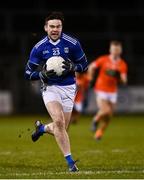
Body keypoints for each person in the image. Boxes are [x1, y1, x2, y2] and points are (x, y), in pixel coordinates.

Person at [24, 11, 88, 172]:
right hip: (50, 87)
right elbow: (27, 73)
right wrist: (41, 74)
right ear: (45, 28)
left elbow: (84, 65)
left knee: (62, 129)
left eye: (58, 26)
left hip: (68, 87)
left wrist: (74, 67)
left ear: (62, 27)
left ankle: (42, 129)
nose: (55, 29)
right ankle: (71, 163)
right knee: (59, 122)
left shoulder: (72, 43)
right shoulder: (39, 48)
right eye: (51, 26)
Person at [88, 41, 128, 140]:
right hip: (101, 89)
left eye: (117, 50)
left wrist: (120, 76)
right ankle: (95, 119)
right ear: (110, 50)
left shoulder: (122, 64)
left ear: (120, 51)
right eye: (114, 49)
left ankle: (99, 132)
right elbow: (92, 67)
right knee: (105, 110)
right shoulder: (103, 59)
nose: (115, 52)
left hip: (112, 91)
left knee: (109, 116)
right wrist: (90, 77)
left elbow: (124, 80)